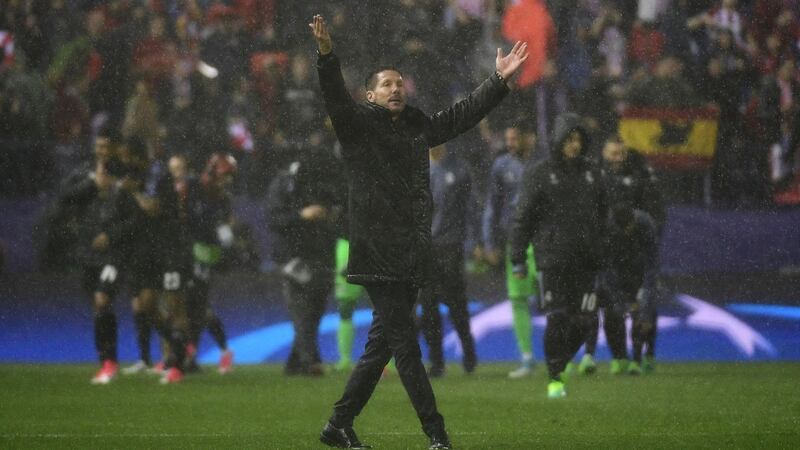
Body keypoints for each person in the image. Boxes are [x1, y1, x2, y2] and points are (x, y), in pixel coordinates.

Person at [310, 14, 528, 449]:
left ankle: (338, 425)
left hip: (411, 251)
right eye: (386, 84)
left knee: (381, 348)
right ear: (370, 94)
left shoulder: (415, 126)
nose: (395, 89)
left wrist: (498, 82)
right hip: (377, 252)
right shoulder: (356, 127)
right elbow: (334, 97)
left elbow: (460, 117)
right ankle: (437, 435)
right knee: (407, 347)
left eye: (399, 83)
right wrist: (326, 56)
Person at [509, 113, 607, 399]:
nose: (574, 145)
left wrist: (602, 249)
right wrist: (517, 257)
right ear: (559, 140)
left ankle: (558, 363)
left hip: (587, 260)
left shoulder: (594, 174)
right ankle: (555, 378)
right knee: (558, 317)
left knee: (585, 321)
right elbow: (523, 219)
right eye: (569, 139)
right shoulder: (539, 174)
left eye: (579, 140)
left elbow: (603, 217)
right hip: (553, 259)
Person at [267, 143, 344, 376]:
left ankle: (296, 359)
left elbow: (340, 209)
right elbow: (273, 218)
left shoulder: (325, 181)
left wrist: (331, 215)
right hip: (294, 254)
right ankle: (310, 359)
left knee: (316, 308)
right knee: (302, 306)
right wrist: (301, 215)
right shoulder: (284, 183)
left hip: (320, 252)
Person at [481, 125, 539, 378]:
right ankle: (527, 358)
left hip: (545, 240)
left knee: (555, 298)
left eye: (515, 138)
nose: (510, 143)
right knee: (518, 299)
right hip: (515, 240)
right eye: (507, 139)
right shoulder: (501, 166)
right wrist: (489, 241)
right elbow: (492, 206)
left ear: (530, 137)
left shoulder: (545, 164)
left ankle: (564, 357)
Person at [418, 144, 478, 378]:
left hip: (450, 246)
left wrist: (473, 241)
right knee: (429, 306)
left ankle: (468, 351)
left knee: (456, 303)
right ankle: (436, 361)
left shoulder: (459, 170)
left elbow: (471, 208)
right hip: (426, 248)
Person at [598, 204, 660, 375]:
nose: (626, 232)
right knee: (612, 313)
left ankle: (641, 358)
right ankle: (619, 358)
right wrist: (617, 298)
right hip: (617, 273)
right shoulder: (607, 229)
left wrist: (645, 292)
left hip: (641, 272)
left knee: (644, 313)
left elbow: (652, 263)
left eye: (629, 228)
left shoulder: (646, 224)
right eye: (622, 229)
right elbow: (606, 266)